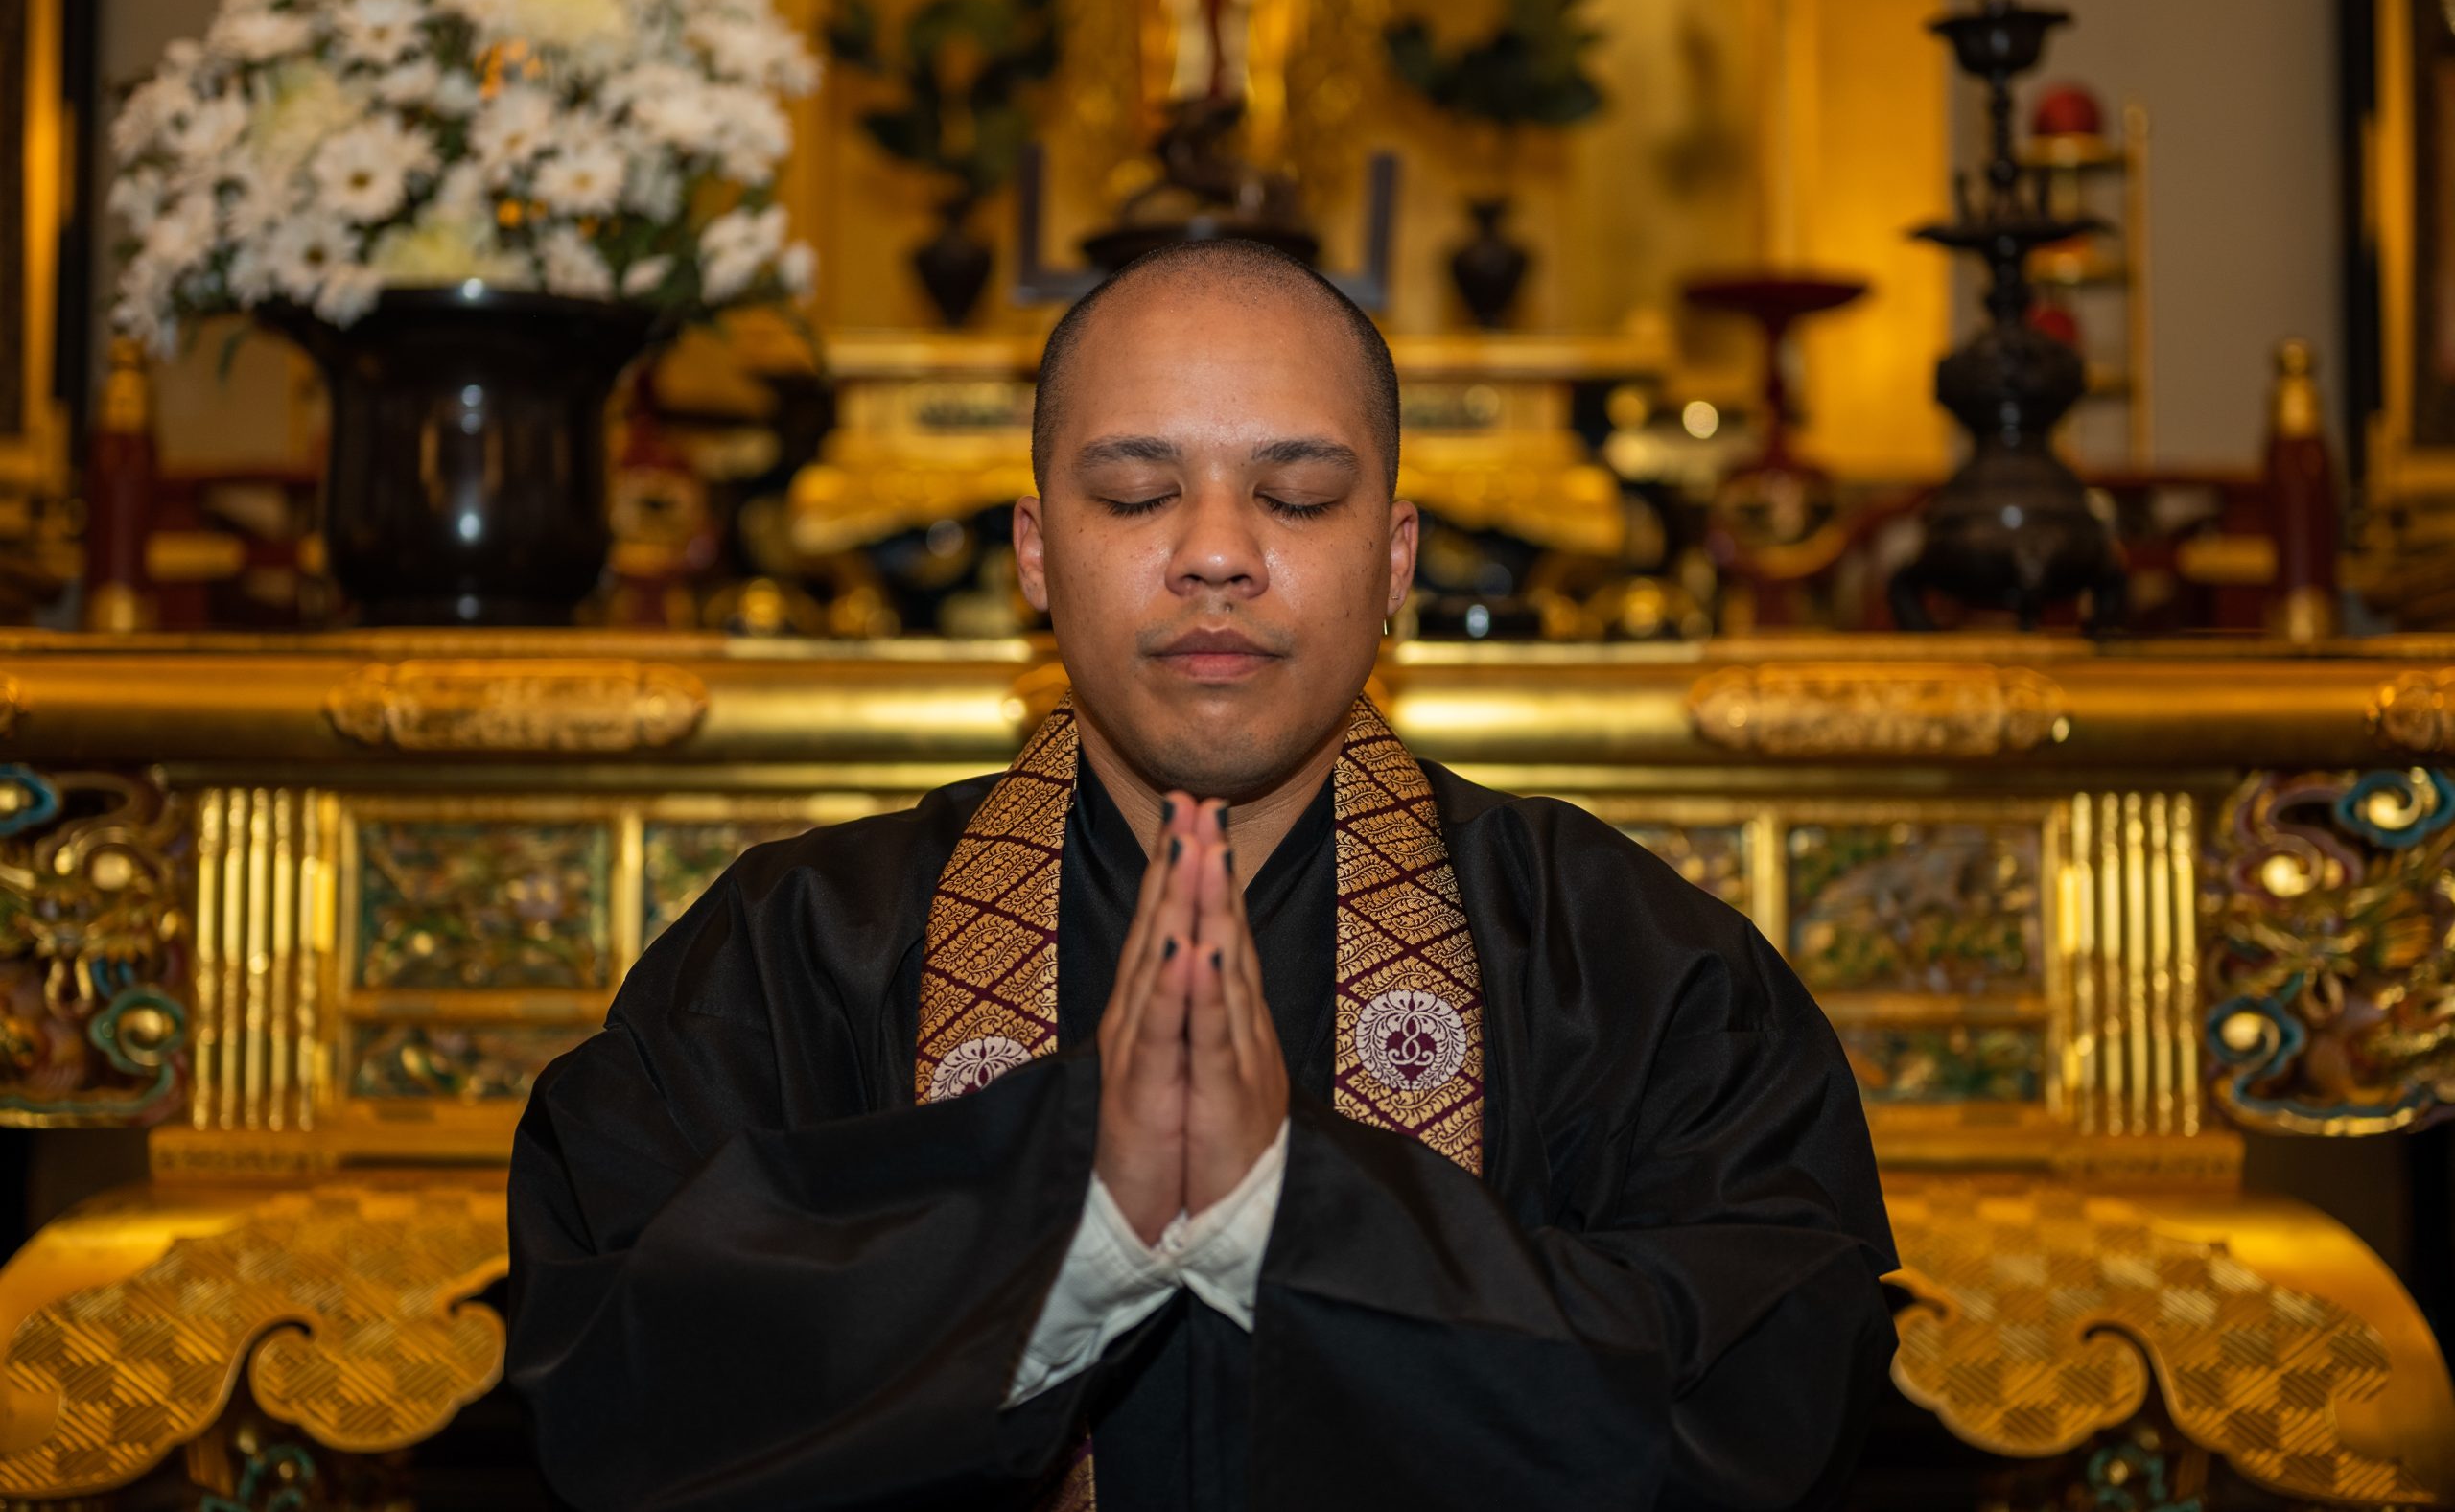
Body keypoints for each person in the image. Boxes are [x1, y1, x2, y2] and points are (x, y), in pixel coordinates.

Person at [506, 238, 1898, 1512]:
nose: (1219, 553)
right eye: (1135, 493)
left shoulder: (1625, 958)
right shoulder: (798, 946)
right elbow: (612, 1370)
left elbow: (1782, 1382)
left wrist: (1287, 1219)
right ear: (1037, 552)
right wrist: (1063, 1223)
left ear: (1396, 556)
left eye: (1296, 495)